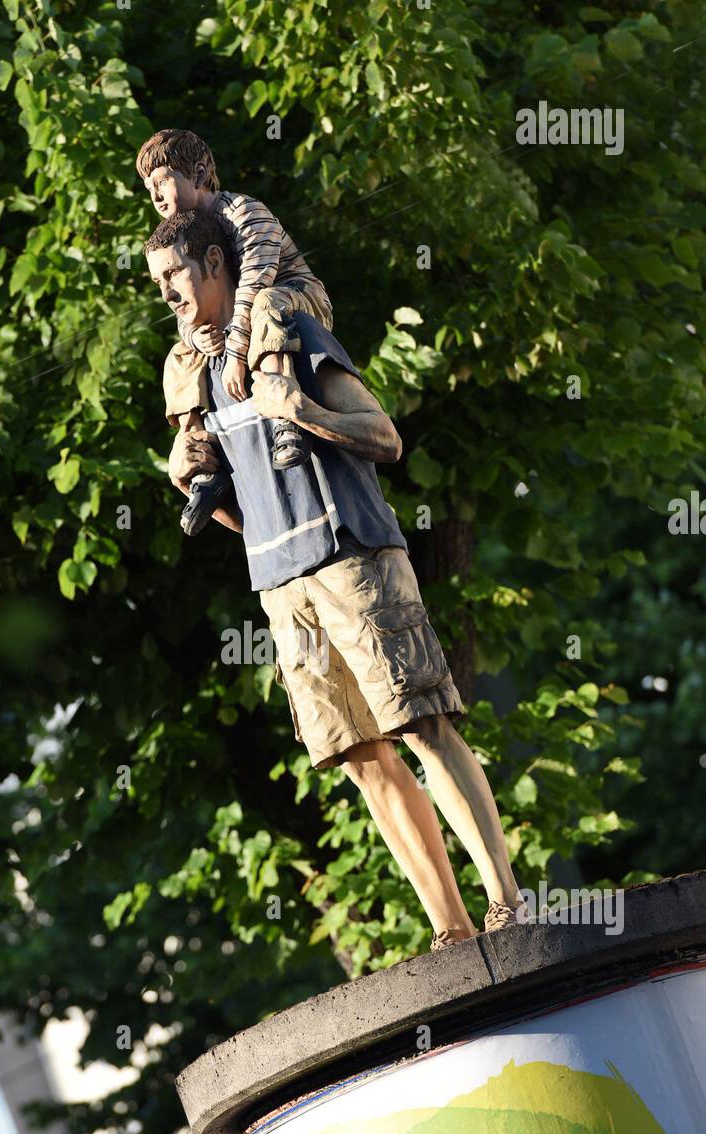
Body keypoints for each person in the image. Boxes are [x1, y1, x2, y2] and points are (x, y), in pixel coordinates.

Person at [144, 208, 527, 951]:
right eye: (155, 283)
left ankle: (509, 906)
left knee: (418, 724)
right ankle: (450, 933)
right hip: (282, 586)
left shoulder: (288, 333)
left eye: (174, 276)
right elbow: (247, 516)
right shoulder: (197, 376)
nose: (166, 295)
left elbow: (383, 436)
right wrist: (184, 480)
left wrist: (305, 411)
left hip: (351, 554)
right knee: (357, 757)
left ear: (215, 264)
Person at [136, 128, 332, 468]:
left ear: (197, 174)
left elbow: (253, 287)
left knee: (266, 303)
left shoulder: (245, 214)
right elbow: (185, 308)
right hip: (246, 316)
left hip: (295, 299)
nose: (156, 197)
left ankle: (285, 413)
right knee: (182, 352)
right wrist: (194, 335)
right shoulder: (191, 232)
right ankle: (199, 453)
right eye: (149, 188)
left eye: (163, 182)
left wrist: (236, 356)